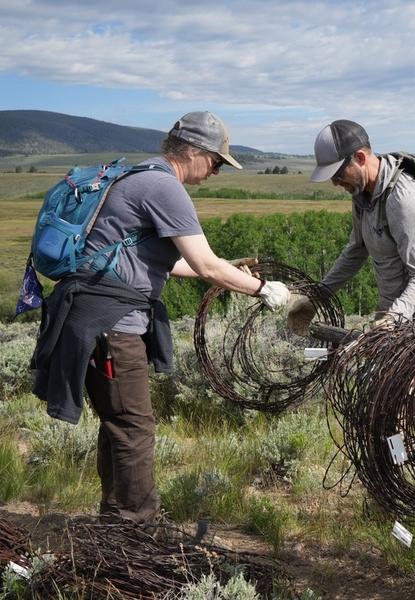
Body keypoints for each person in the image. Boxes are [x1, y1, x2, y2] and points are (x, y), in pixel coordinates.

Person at [32, 111, 291, 523]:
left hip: (95, 320)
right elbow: (205, 265)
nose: (216, 172)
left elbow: (169, 264)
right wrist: (264, 290)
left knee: (119, 423)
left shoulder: (140, 176)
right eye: (217, 162)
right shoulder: (163, 187)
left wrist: (226, 275)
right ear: (194, 152)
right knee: (134, 427)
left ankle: (117, 518)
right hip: (111, 326)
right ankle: (137, 525)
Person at [286, 120, 415, 334]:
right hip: (393, 312)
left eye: (338, 175)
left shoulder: (405, 200)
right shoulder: (362, 194)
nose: (336, 184)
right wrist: (317, 297)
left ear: (360, 158)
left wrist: (392, 318)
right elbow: (355, 251)